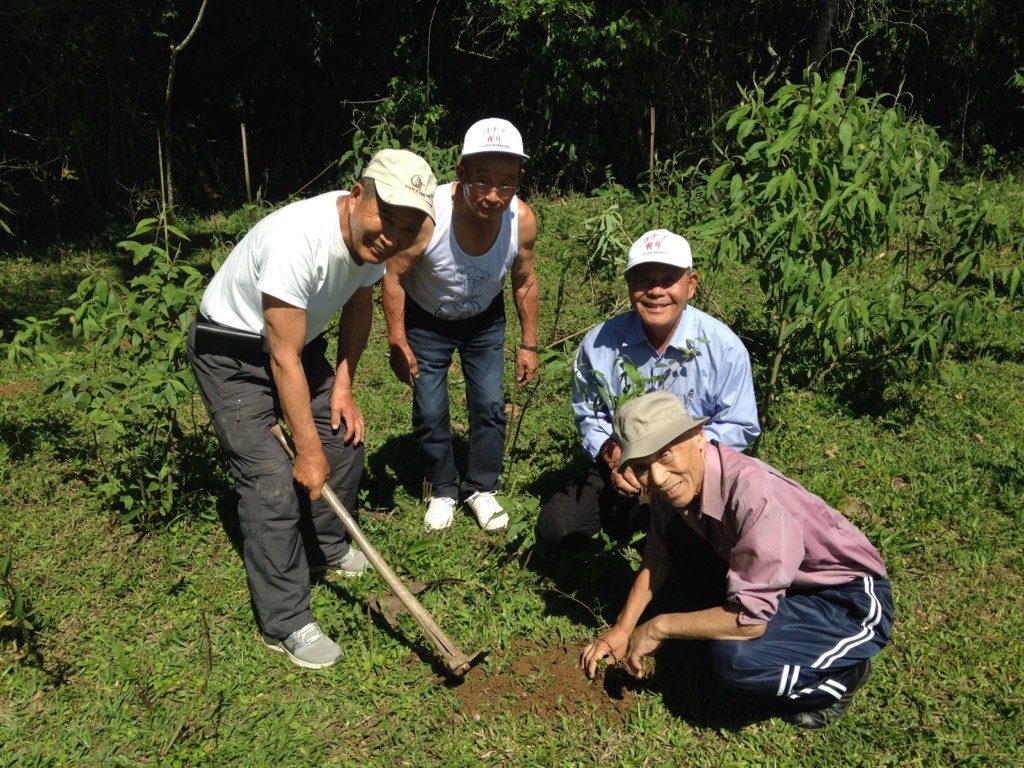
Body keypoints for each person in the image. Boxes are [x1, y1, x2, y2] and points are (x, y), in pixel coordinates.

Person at [187, 149, 437, 669]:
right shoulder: (297, 241)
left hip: (299, 347)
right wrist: (305, 450)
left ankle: (324, 546)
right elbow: (280, 358)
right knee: (272, 483)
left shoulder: (371, 248)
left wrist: (343, 386)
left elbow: (359, 305)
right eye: (384, 216)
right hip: (232, 352)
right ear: (356, 196)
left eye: (407, 226)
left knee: (343, 443)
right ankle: (285, 622)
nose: (391, 234)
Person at [580, 392, 893, 729]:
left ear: (697, 438)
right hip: (781, 584)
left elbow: (751, 621)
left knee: (736, 661)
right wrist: (623, 629)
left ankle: (840, 677)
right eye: (641, 467)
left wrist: (659, 627)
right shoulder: (670, 489)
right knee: (698, 598)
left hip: (845, 598)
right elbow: (659, 554)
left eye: (666, 454)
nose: (656, 477)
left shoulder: (753, 496)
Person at [535, 229, 760, 548]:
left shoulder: (723, 348)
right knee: (558, 527)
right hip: (627, 465)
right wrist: (614, 457)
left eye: (668, 279)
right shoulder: (600, 345)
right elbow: (591, 416)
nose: (656, 291)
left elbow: (739, 425)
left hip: (695, 474)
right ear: (629, 284)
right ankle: (629, 534)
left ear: (691, 284)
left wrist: (677, 461)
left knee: (716, 550)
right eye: (643, 279)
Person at [382, 118, 539, 532]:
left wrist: (529, 343)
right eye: (482, 180)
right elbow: (393, 275)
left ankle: (481, 488)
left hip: (484, 323)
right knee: (431, 409)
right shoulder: (429, 216)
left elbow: (525, 279)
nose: (493, 195)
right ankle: (443, 488)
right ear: (461, 172)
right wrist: (397, 338)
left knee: (489, 404)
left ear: (519, 179)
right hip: (426, 322)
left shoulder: (521, 220)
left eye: (506, 183)